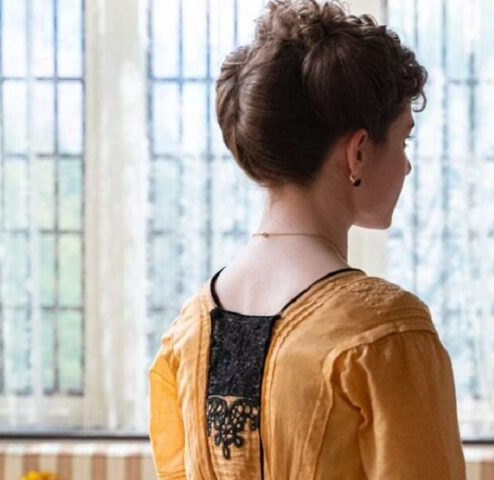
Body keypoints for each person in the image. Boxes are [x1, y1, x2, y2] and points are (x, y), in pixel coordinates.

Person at [147, 1, 465, 478]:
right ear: (358, 153)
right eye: (403, 140)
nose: (406, 165)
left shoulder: (188, 329)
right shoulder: (386, 332)